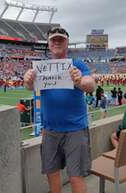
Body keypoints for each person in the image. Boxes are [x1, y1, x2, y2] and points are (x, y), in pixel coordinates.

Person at [24, 26, 95, 193]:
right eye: (53, 40)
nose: (57, 42)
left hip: (75, 129)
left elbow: (90, 85)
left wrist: (79, 82)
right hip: (50, 130)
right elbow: (29, 87)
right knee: (52, 174)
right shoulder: (40, 67)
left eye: (60, 40)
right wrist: (27, 81)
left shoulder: (77, 64)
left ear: (67, 43)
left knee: (75, 176)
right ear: (48, 44)